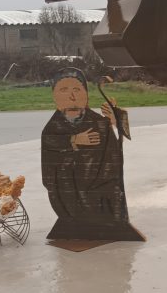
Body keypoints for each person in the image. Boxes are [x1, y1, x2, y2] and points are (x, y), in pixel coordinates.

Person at [41, 68, 144, 242]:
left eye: (77, 89)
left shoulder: (98, 122)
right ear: (55, 96)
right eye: (64, 90)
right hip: (68, 195)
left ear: (86, 95)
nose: (72, 96)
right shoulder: (53, 127)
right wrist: (74, 140)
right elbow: (50, 151)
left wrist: (115, 120)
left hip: (99, 194)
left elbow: (113, 158)